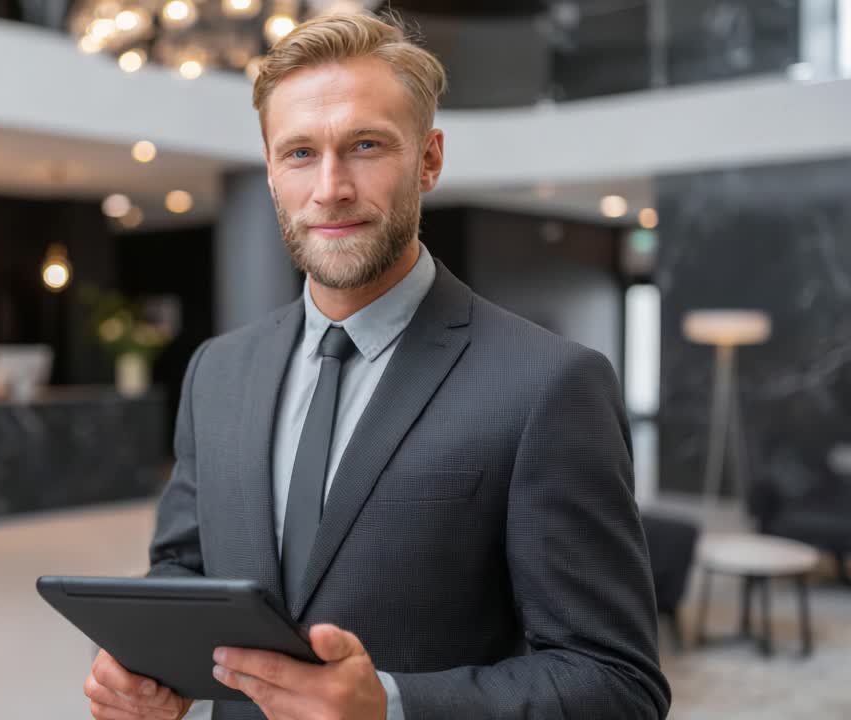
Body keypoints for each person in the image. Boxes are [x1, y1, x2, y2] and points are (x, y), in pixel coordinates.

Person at [83, 12, 670, 720]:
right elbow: (183, 568)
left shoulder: (548, 384)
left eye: (365, 145)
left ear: (429, 158)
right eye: (299, 153)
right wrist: (145, 671)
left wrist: (389, 705)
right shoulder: (218, 371)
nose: (330, 188)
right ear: (270, 171)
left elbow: (617, 683)